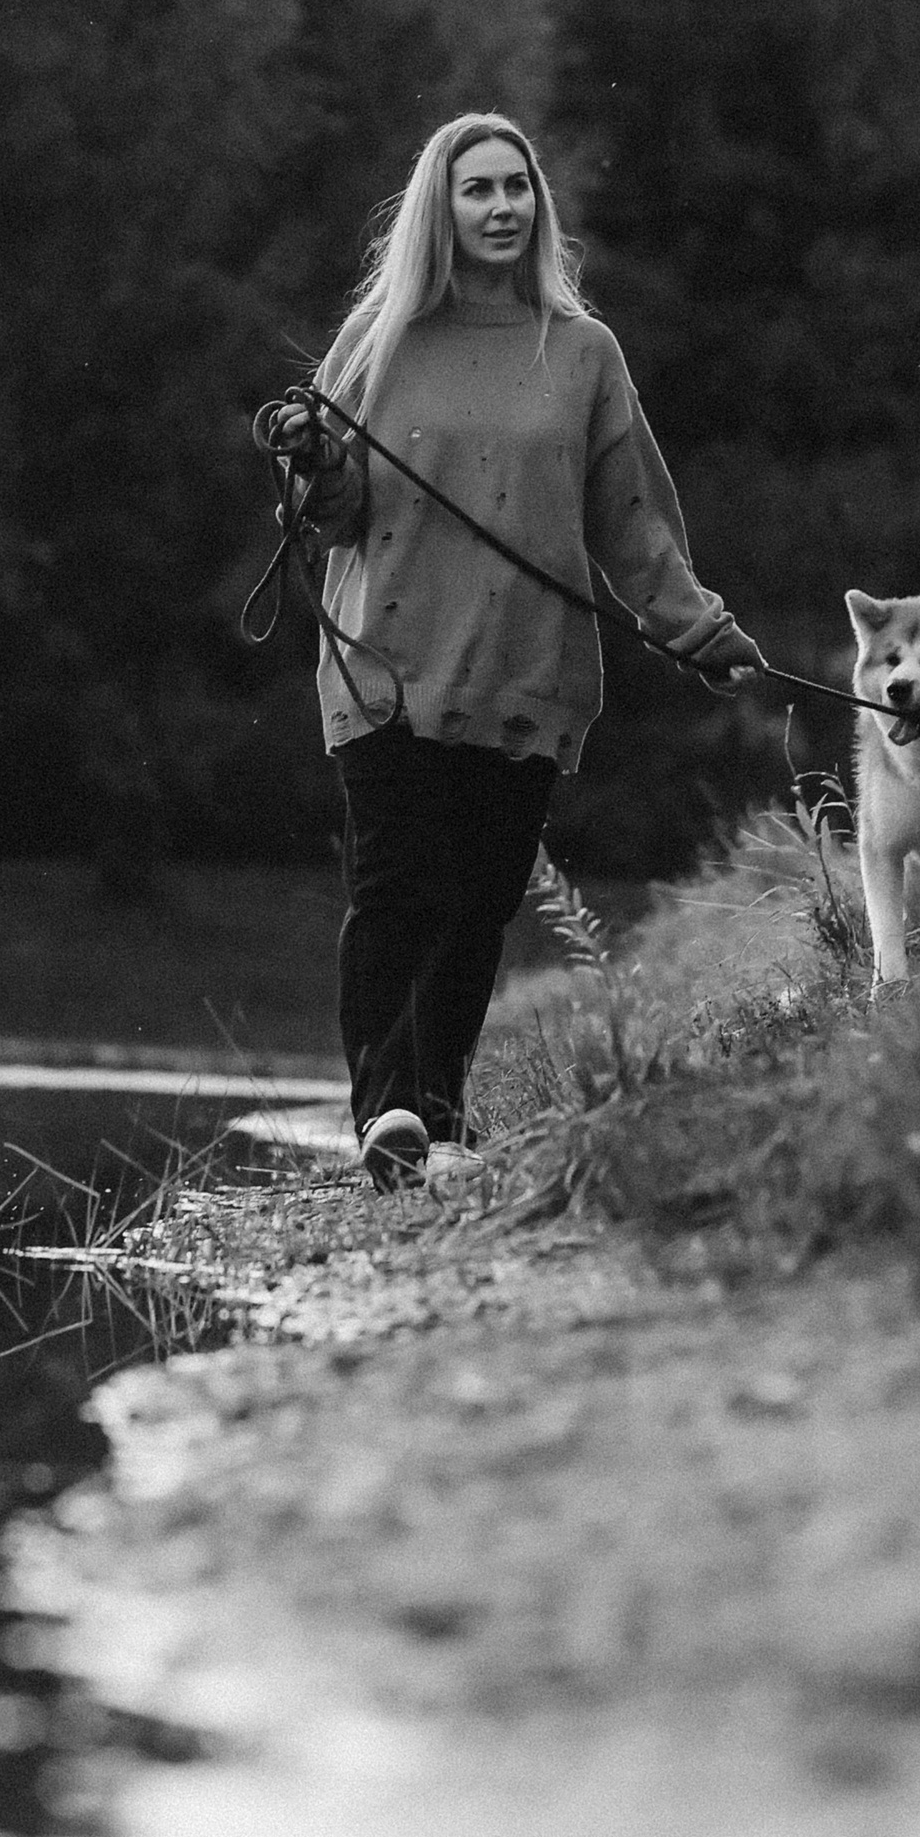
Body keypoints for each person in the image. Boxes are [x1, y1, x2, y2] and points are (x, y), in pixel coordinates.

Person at [270, 113, 762, 1184]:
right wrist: (312, 469)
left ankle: (438, 1116)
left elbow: (633, 522)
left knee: (478, 900)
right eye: (476, 189)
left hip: (526, 666)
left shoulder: (581, 353)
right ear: (436, 210)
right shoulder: (380, 339)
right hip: (387, 657)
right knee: (397, 886)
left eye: (516, 188)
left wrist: (699, 630)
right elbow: (340, 510)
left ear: (538, 205)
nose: (501, 207)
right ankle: (387, 1114)